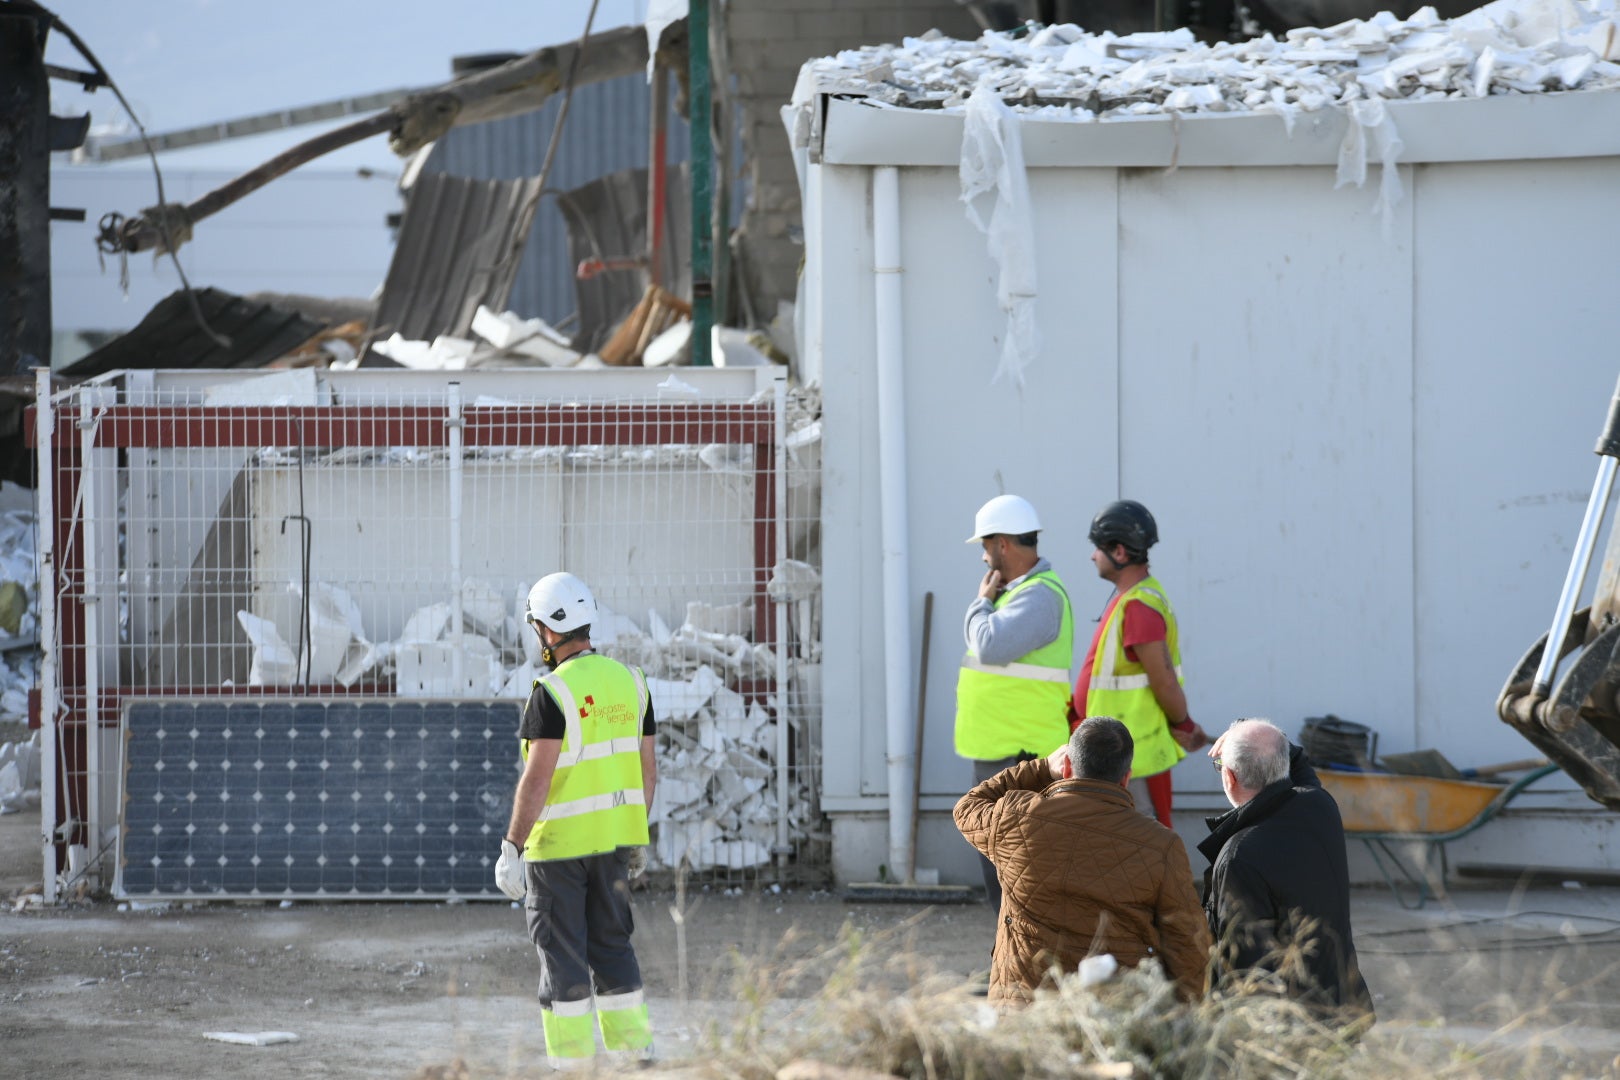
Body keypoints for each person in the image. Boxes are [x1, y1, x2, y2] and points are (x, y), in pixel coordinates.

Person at [495, 571, 659, 1068]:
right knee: (613, 947)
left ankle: (573, 1066)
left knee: (563, 956)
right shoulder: (633, 683)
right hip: (613, 847)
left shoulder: (551, 693)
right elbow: (647, 771)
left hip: (557, 852)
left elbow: (537, 779)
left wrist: (512, 847)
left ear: (546, 630)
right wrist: (633, 835)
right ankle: (634, 1059)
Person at [953, 716, 1212, 1004]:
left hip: (1024, 1017)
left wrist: (1040, 768)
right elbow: (1186, 942)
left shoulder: (1016, 819)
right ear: (1126, 777)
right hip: (1116, 1018)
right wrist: (1185, 1015)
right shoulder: (1162, 845)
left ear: (1065, 768)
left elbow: (968, 806)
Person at [1199, 719, 1374, 1022]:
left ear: (1229, 777)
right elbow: (1297, 762)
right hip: (1342, 1009)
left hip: (1288, 1033)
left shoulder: (1238, 857)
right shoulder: (1319, 807)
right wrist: (1247, 732)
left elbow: (1244, 971)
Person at [955, 494, 1074, 910]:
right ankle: (1011, 968)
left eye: (986, 546)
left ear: (1003, 543)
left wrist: (980, 602)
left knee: (1015, 871)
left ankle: (1024, 970)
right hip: (1003, 749)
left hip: (1020, 753)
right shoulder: (1019, 594)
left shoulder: (1038, 596)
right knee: (1003, 867)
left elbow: (988, 646)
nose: (984, 558)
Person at [1068, 500, 1206, 829]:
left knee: (1138, 842)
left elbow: (1165, 683)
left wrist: (1184, 725)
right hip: (1118, 755)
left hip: (1133, 760)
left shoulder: (1140, 608)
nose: (1092, 556)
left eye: (1097, 548)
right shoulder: (1131, 600)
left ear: (1119, 552)